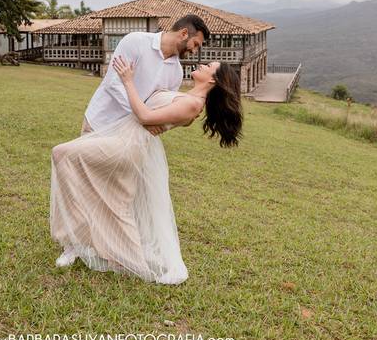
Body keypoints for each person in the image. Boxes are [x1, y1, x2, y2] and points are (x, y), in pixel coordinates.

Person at [49, 53, 244, 284]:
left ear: (213, 79)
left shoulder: (193, 104)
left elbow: (143, 116)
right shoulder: (188, 97)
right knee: (115, 201)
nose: (202, 64)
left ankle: (82, 240)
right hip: (123, 138)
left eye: (208, 65)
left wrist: (127, 80)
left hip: (126, 145)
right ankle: (108, 251)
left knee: (62, 153)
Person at [80, 14, 210, 136]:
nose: (194, 51)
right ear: (184, 33)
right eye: (195, 44)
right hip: (100, 123)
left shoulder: (177, 73)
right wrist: (142, 117)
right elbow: (113, 84)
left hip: (129, 135)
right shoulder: (135, 41)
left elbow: (161, 108)